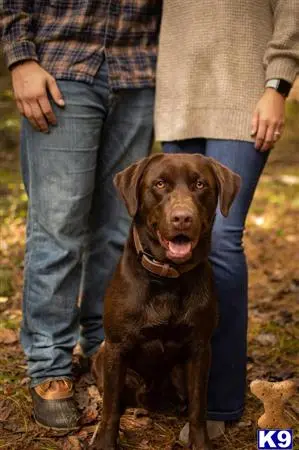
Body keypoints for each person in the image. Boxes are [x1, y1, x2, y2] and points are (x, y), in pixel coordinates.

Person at [1, 0, 161, 430]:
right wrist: (21, 57)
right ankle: (49, 366)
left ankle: (103, 345)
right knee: (58, 227)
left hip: (142, 71)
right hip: (60, 69)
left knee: (117, 228)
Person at [154, 0, 299, 439]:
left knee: (220, 242)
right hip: (176, 100)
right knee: (180, 245)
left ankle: (219, 400)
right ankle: (182, 385)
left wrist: (277, 85)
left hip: (244, 99)